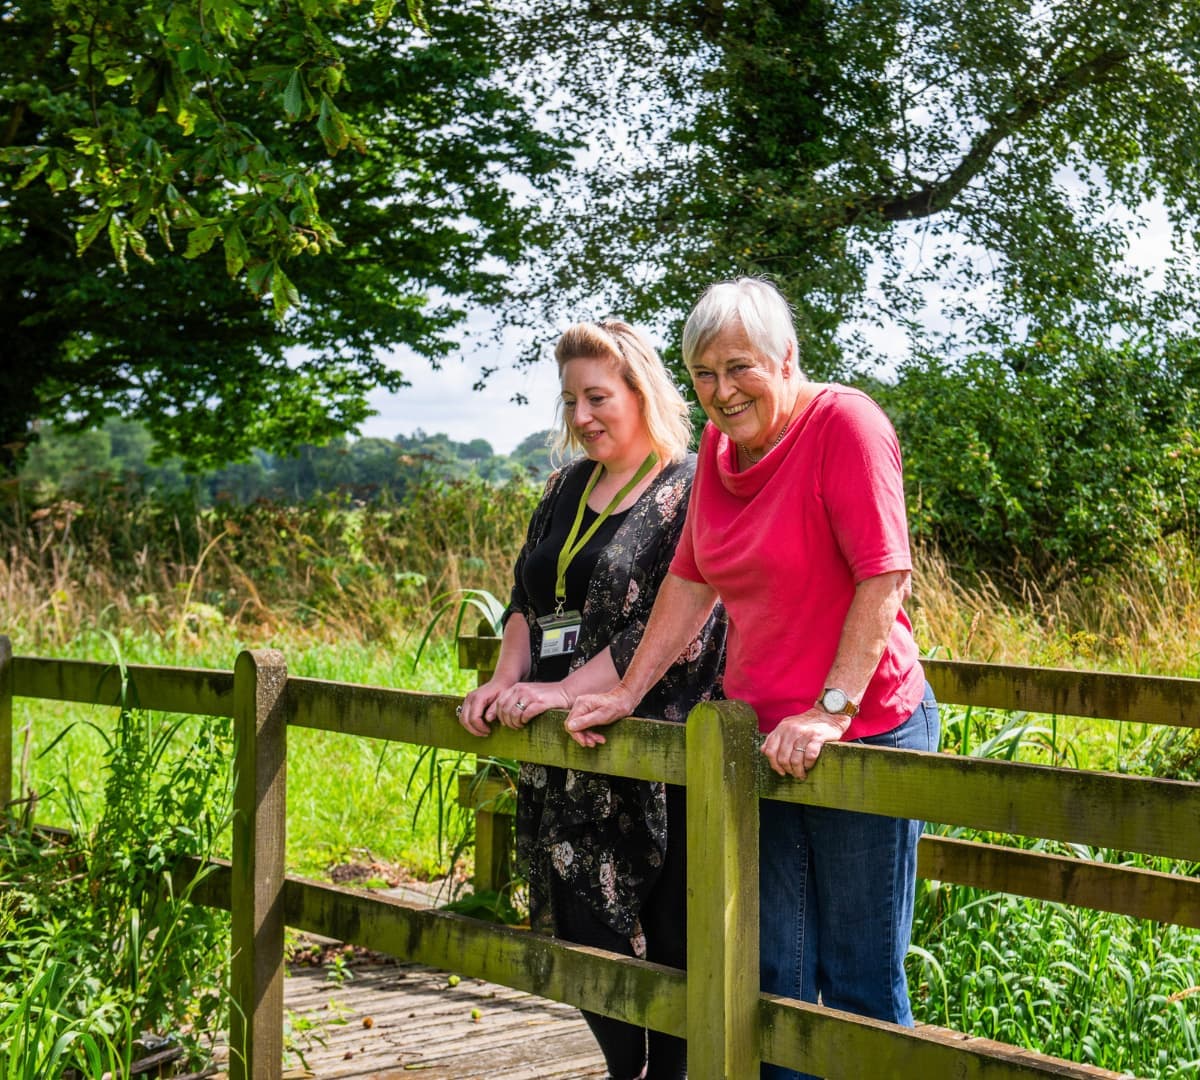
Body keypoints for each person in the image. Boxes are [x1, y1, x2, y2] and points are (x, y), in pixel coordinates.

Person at [566, 279, 940, 1080]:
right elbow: (691, 580)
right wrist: (628, 691)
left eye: (740, 368)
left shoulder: (845, 424)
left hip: (862, 728)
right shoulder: (719, 451)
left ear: (787, 359)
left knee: (859, 984)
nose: (722, 390)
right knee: (774, 978)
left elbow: (884, 578)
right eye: (703, 373)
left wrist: (830, 710)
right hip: (762, 739)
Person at [457, 319, 726, 1080]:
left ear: (641, 391)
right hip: (565, 743)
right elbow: (525, 599)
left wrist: (561, 690)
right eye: (570, 399)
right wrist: (507, 682)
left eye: (598, 397)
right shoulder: (564, 486)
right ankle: (624, 1069)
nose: (581, 417)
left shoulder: (691, 485)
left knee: (673, 943)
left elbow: (670, 621)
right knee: (580, 928)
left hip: (654, 745)